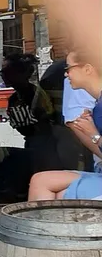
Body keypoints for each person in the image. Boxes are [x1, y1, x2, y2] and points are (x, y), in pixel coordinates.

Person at [28, 51, 102, 200]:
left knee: (49, 188)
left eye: (68, 69)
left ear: (87, 69)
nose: (65, 75)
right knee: (40, 181)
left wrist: (93, 134)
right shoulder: (97, 104)